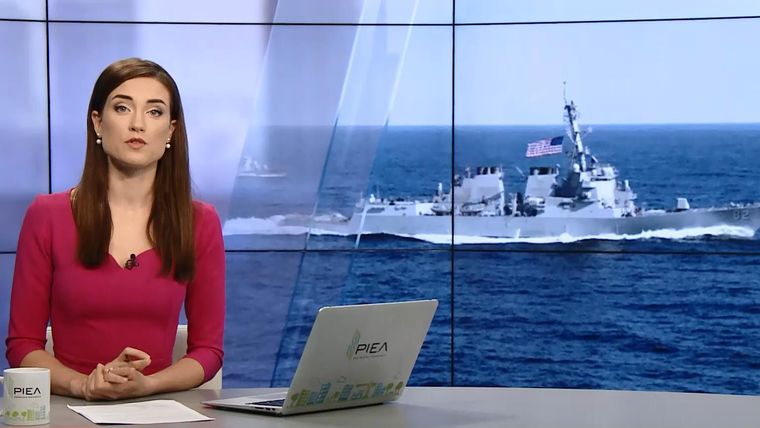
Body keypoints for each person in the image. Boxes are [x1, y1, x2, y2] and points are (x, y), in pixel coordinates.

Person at [5, 58, 225, 401]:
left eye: (154, 112)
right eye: (122, 108)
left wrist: (149, 385)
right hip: (71, 409)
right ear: (97, 122)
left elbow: (208, 352)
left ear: (170, 131)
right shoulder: (46, 216)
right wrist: (82, 385)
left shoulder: (200, 222)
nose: (137, 123)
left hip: (158, 411)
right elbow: (22, 346)